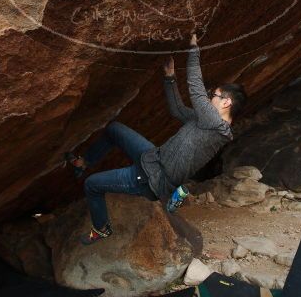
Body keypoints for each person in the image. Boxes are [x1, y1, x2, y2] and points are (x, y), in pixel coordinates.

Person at [67, 33, 246, 245]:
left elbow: (196, 89)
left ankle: (102, 228)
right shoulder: (205, 122)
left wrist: (193, 48)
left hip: (151, 179)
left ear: (226, 103)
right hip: (153, 156)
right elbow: (177, 110)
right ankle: (83, 163)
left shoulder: (215, 125)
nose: (208, 98)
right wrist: (170, 77)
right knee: (114, 129)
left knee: (92, 185)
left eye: (213, 95)